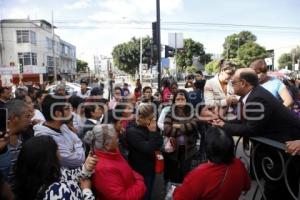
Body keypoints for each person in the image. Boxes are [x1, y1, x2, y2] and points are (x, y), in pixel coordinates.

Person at [211, 68, 300, 200]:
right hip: (275, 150)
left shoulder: (258, 97)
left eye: (233, 82)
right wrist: (223, 122)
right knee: (274, 187)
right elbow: (244, 120)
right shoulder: (252, 94)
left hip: (286, 148)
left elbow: (251, 129)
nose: (230, 84)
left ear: (243, 83)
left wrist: (224, 125)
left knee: (280, 189)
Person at [173, 127, 251, 200]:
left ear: (208, 150)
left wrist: (175, 190)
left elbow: (179, 197)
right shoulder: (239, 164)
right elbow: (247, 186)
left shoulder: (200, 174)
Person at [14, 135, 98, 200]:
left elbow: (71, 175)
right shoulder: (58, 191)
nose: (60, 153)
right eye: (57, 149)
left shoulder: (47, 174)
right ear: (50, 158)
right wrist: (86, 191)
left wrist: (86, 167)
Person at [84, 124, 146, 200]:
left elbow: (126, 168)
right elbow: (122, 197)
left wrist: (137, 178)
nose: (118, 139)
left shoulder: (112, 152)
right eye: (116, 138)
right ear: (107, 145)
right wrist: (140, 183)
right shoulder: (104, 169)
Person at [34, 95, 85, 169]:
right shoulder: (46, 140)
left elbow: (77, 140)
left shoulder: (62, 126)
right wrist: (77, 145)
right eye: (67, 109)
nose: (72, 112)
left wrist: (75, 146)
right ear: (58, 114)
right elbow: (77, 160)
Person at [126, 103, 163, 200]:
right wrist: (152, 133)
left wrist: (154, 133)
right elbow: (147, 149)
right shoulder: (132, 131)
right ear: (141, 117)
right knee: (142, 194)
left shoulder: (150, 126)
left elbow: (160, 141)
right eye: (150, 118)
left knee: (149, 191)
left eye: (154, 118)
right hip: (139, 170)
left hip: (151, 166)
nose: (153, 121)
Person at [163, 89, 201, 184]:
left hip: (188, 149)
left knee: (186, 172)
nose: (180, 101)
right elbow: (167, 129)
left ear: (186, 100)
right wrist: (185, 128)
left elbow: (194, 125)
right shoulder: (170, 113)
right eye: (178, 99)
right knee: (174, 173)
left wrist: (178, 125)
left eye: (182, 99)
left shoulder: (192, 112)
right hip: (173, 149)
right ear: (174, 101)